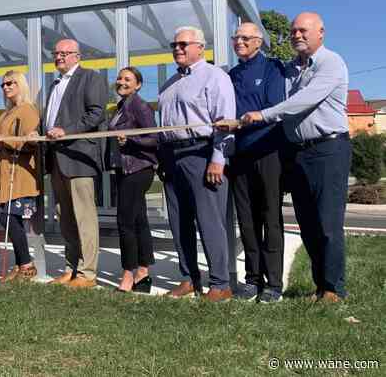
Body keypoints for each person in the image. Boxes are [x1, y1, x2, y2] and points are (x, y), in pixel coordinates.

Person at [242, 12, 350, 303]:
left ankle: (334, 289)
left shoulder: (331, 63)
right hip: (298, 153)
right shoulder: (290, 70)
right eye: (293, 32)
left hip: (329, 149)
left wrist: (260, 115)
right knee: (308, 224)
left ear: (321, 33)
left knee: (328, 223)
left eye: (303, 30)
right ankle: (320, 286)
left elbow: (301, 102)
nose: (297, 35)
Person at [158, 26, 236, 302]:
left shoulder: (215, 77)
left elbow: (225, 121)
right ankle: (189, 278)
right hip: (172, 156)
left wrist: (218, 159)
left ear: (200, 47)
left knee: (209, 221)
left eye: (183, 44)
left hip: (201, 154)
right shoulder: (168, 84)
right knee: (179, 222)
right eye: (174, 44)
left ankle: (220, 283)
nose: (177, 49)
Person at [223, 23, 286, 303]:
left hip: (268, 152)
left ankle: (273, 283)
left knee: (270, 217)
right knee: (246, 221)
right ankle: (251, 279)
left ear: (259, 42)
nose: (239, 42)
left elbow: (271, 108)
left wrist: (244, 118)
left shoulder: (273, 69)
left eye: (245, 38)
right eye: (236, 37)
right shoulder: (231, 75)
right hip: (240, 155)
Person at [44, 39, 108, 289]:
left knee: (84, 218)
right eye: (55, 53)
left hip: (80, 158)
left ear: (77, 56)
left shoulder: (90, 78)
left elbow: (96, 113)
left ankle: (87, 273)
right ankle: (71, 268)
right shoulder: (54, 85)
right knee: (66, 218)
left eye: (64, 53)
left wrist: (66, 130)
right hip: (57, 159)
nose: (58, 56)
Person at [105, 67, 158, 293]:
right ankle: (143, 273)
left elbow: (154, 138)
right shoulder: (120, 106)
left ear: (138, 85)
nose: (121, 82)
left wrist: (130, 140)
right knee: (138, 220)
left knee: (124, 221)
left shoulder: (139, 105)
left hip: (138, 169)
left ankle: (128, 273)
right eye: (119, 78)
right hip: (124, 169)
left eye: (127, 79)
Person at [0, 71, 42, 282]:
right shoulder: (5, 113)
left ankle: (27, 266)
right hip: (3, 172)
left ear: (20, 84)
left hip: (18, 172)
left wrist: (3, 139)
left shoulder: (28, 110)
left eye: (10, 83)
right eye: (2, 84)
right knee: (7, 217)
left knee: (10, 217)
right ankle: (22, 264)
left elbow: (31, 142)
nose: (6, 87)